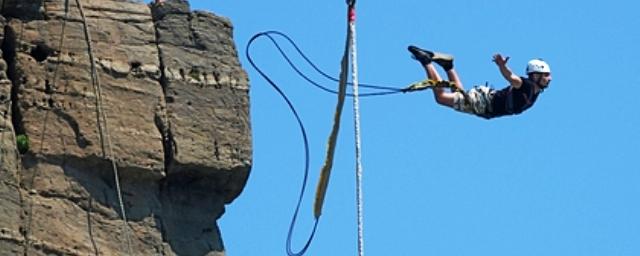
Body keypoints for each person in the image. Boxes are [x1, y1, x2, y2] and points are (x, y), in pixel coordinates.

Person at [407, 45, 552, 119]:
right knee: (442, 98)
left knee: (457, 95)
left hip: (485, 101)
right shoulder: (526, 86)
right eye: (546, 75)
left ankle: (448, 66)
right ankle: (426, 61)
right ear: (535, 76)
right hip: (485, 103)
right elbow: (511, 78)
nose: (549, 78)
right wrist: (502, 66)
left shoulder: (534, 92)